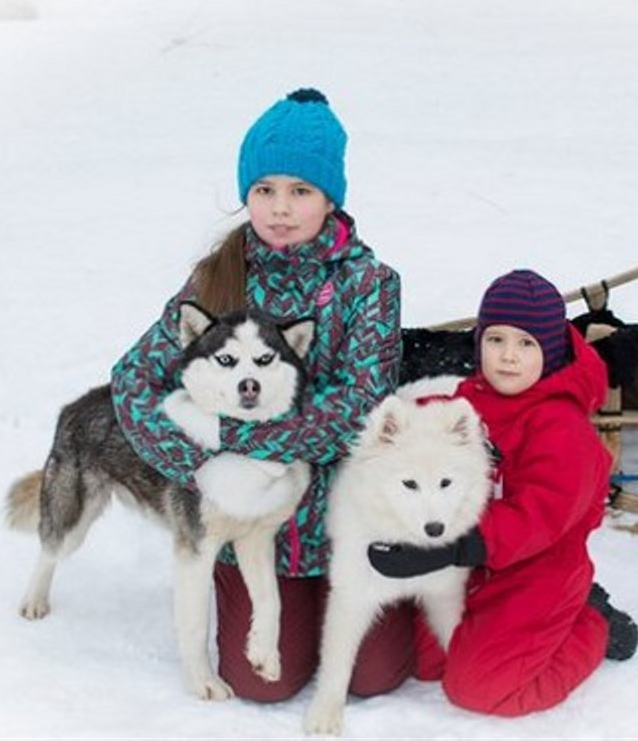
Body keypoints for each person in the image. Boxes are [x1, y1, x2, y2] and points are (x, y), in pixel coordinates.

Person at [110, 88, 412, 702]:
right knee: (261, 686)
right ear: (246, 194)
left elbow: (357, 410)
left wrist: (231, 438)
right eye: (264, 190)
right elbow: (133, 378)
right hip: (250, 523)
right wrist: (195, 462)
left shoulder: (368, 283)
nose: (279, 208)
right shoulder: (219, 277)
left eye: (300, 190)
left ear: (331, 197)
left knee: (374, 677)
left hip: (343, 520)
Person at [368, 268, 638, 717]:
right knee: (426, 662)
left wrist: (449, 548)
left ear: (549, 351)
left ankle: (590, 625)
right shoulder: (470, 401)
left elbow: (537, 517)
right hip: (473, 570)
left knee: (479, 689)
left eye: (526, 344)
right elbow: (422, 426)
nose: (508, 357)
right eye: (496, 340)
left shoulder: (562, 428)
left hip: (538, 570)